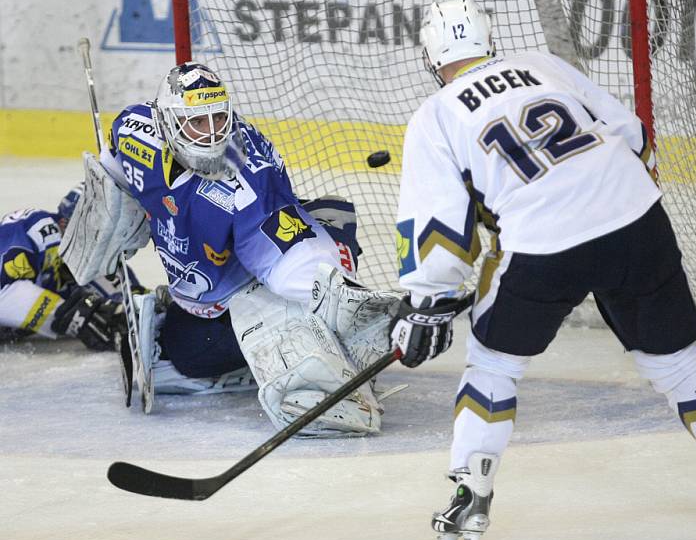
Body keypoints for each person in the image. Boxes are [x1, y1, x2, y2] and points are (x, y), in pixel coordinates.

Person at [389, 0, 696, 540]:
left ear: (430, 56)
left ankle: (470, 499)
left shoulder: (435, 116)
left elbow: (437, 232)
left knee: (495, 364)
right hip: (638, 218)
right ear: (488, 42)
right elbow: (634, 135)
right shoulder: (544, 65)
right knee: (680, 365)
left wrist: (428, 300)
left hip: (545, 244)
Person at [62, 61, 399, 434]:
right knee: (182, 346)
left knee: (229, 350)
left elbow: (293, 261)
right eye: (198, 122)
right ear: (167, 121)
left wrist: (349, 307)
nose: (211, 134)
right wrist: (111, 209)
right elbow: (113, 173)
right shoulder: (135, 131)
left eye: (218, 118)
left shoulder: (246, 178)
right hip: (198, 293)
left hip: (247, 288)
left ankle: (325, 280)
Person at [0, 185, 131, 350]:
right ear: (65, 222)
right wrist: (67, 314)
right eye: (94, 231)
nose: (99, 241)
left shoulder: (87, 261)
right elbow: (4, 291)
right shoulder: (39, 227)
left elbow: (127, 298)